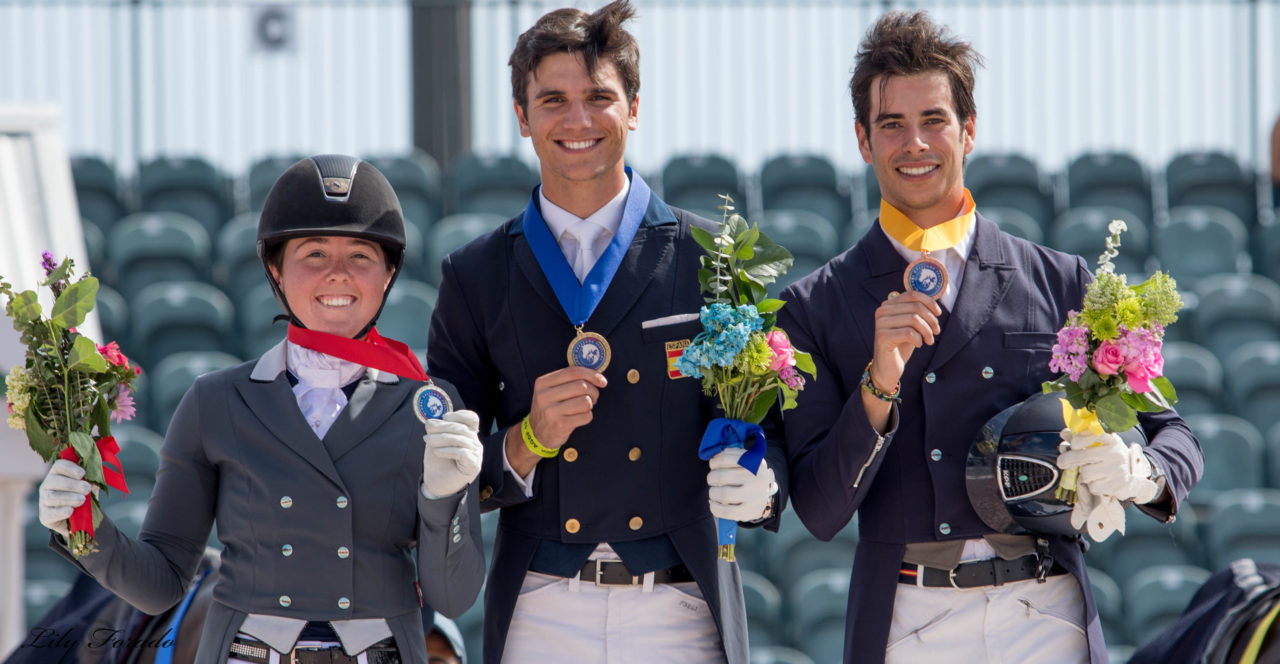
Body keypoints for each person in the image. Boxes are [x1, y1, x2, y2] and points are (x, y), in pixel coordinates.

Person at [777, 12, 1203, 664]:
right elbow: (818, 509)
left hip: (1046, 614)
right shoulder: (813, 306)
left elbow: (1177, 435)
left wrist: (1140, 474)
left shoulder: (1062, 281)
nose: (914, 142)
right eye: (892, 124)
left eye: (934, 121)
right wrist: (878, 384)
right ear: (863, 141)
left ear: (968, 131)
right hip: (907, 623)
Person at [426, 2, 786, 662]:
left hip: (680, 607)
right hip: (541, 607)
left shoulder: (718, 255)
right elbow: (453, 463)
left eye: (600, 97)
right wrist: (527, 440)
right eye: (553, 99)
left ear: (635, 107)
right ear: (521, 117)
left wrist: (765, 486)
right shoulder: (474, 273)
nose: (579, 120)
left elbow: (774, 428)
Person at [36, 154, 486, 664]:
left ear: (387, 274)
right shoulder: (215, 402)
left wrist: (444, 499)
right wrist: (83, 527)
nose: (337, 274)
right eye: (314, 253)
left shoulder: (429, 407)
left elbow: (453, 597)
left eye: (361, 255)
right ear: (275, 268)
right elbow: (161, 583)